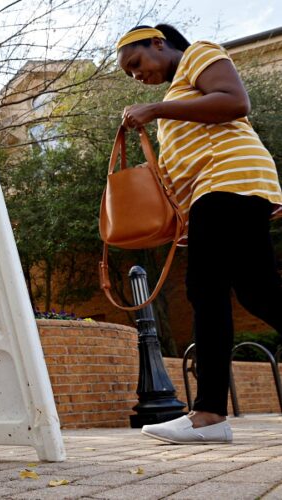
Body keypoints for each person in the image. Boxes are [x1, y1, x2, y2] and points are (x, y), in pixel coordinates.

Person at [116, 24, 282, 444]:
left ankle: (208, 414)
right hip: (220, 193)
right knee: (258, 293)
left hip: (228, 182)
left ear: (158, 43)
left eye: (136, 63)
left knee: (207, 292)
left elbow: (234, 102)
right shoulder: (176, 97)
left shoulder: (198, 54)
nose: (137, 75)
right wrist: (187, 219)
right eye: (130, 74)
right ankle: (209, 414)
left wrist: (154, 110)